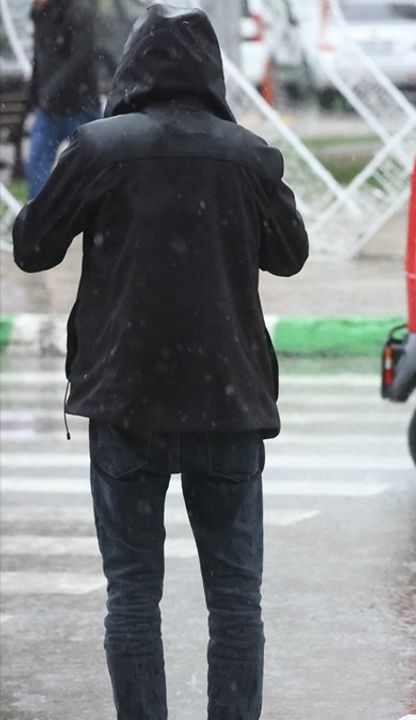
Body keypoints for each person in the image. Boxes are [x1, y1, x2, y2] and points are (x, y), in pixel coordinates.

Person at [10, 5, 308, 719]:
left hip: (125, 403)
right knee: (235, 602)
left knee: (133, 597)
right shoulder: (248, 155)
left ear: (134, 67)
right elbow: (290, 255)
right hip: (228, 406)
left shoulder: (97, 150)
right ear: (212, 73)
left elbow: (32, 247)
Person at [25, 0, 101, 198]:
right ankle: (39, 219)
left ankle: (96, 216)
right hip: (50, 109)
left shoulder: (77, 10)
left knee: (95, 169)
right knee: (36, 167)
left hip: (80, 106)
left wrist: (50, 91)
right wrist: (35, 96)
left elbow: (81, 57)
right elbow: (39, 59)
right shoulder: (40, 14)